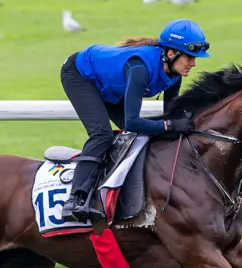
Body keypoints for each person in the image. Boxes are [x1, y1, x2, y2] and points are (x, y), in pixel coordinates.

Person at [59, 19, 211, 221]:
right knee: (102, 135)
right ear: (172, 53)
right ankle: (75, 200)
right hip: (79, 74)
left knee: (143, 133)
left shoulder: (174, 75)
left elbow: (170, 117)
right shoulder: (140, 69)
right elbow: (133, 122)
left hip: (108, 84)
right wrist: (168, 125)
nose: (193, 64)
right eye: (190, 57)